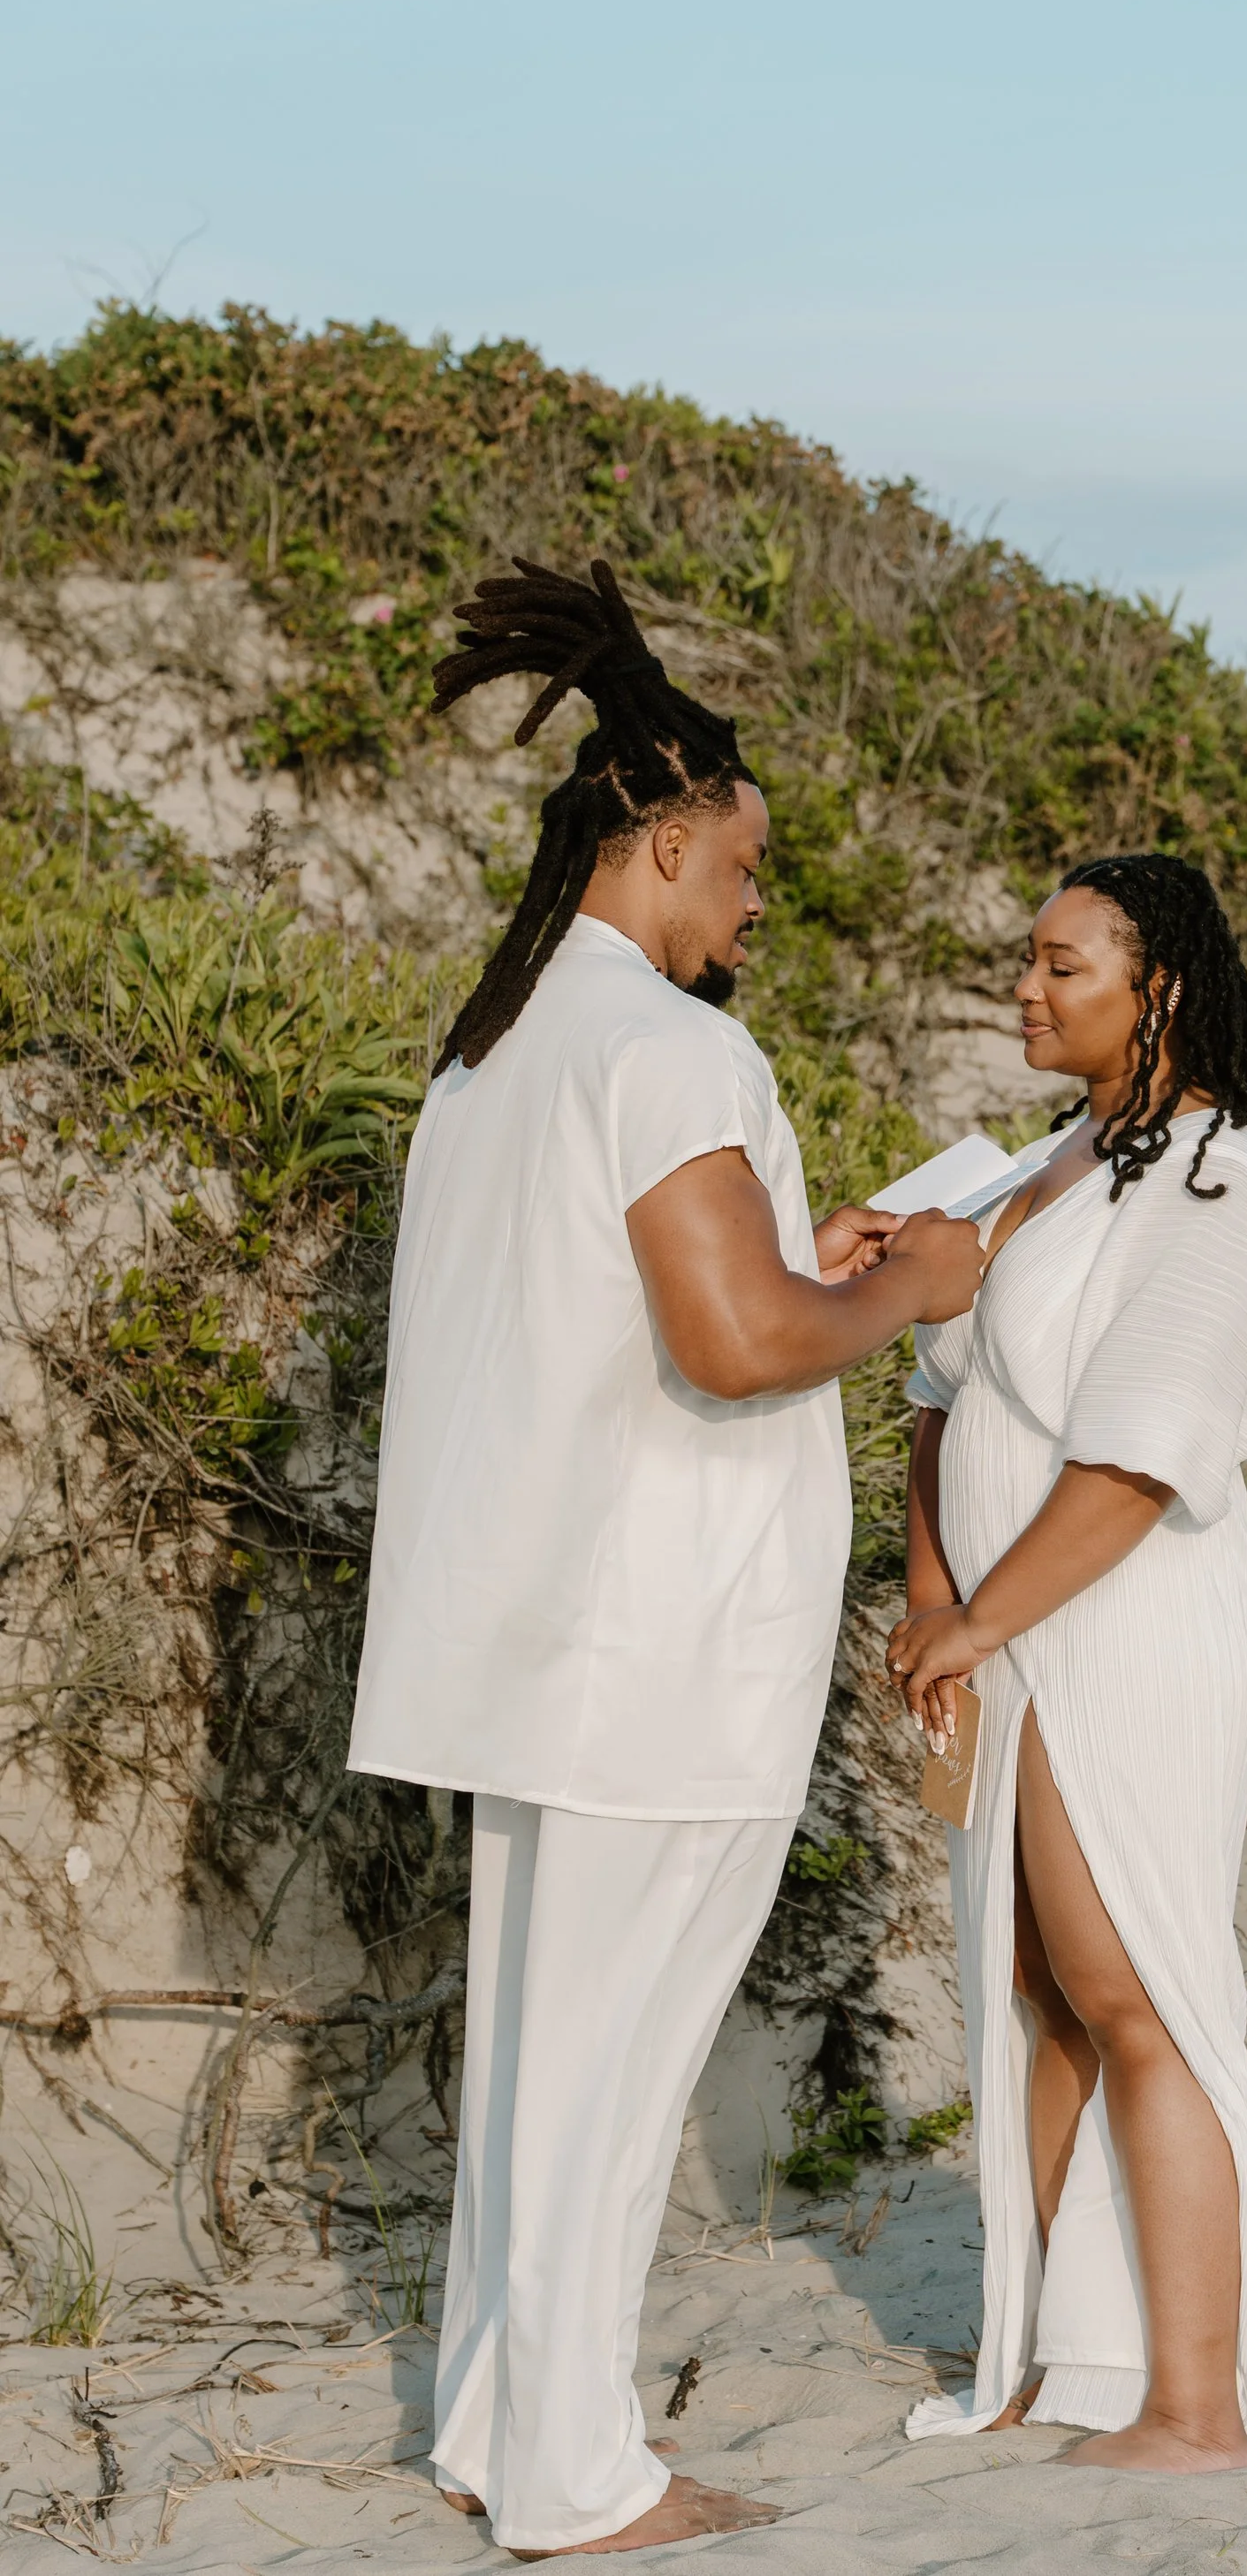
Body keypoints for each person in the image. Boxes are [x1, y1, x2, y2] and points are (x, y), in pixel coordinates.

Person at [346, 558, 981, 2560]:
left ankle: (486, 2431)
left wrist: (814, 1273)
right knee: (605, 2087)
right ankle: (575, 2482)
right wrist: (919, 1286)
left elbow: (632, 1320)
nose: (756, 904)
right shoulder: (673, 1055)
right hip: (656, 1647)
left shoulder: (492, 1055)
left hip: (528, 1635)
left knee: (539, 2065)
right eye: (747, 864)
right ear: (669, 836)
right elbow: (731, 1344)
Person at [886, 853, 1247, 2471]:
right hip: (1012, 1624)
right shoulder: (1050, 1159)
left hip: (1134, 1627)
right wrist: (938, 1594)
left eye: (1063, 965)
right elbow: (938, 1384)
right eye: (1028, 958)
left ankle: (1194, 2406)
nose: (1028, 986)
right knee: (1037, 1992)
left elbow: (1141, 1459)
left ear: (1158, 987)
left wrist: (985, 1617)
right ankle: (1058, 2353)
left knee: (1136, 1988)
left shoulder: (1220, 1181)